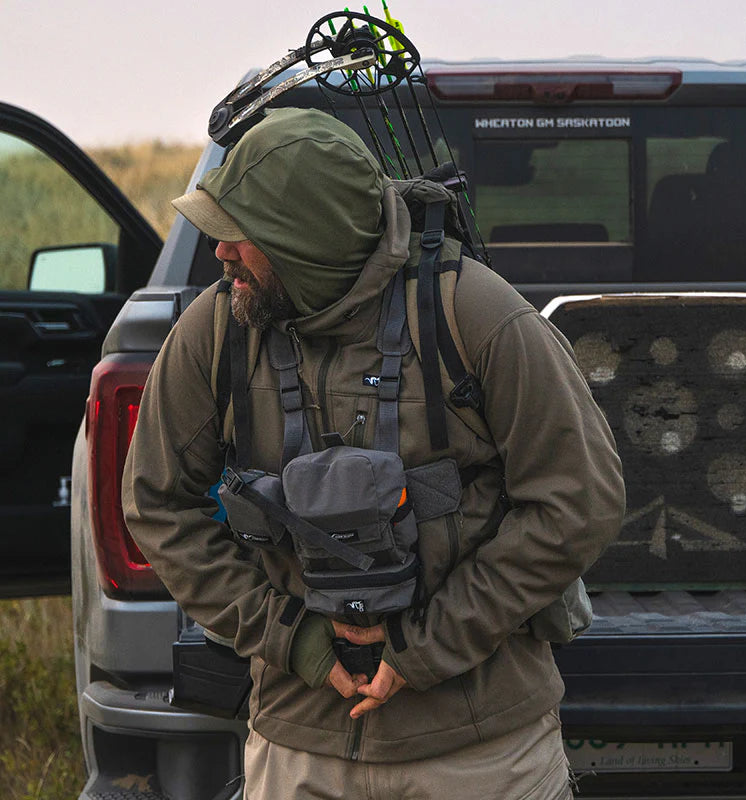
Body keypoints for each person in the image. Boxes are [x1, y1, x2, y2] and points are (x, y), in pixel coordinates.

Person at [122, 107, 625, 800]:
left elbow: (581, 500)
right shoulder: (217, 331)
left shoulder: (476, 315)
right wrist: (291, 638)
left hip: (481, 749)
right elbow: (155, 503)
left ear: (305, 243)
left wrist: (429, 645)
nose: (220, 254)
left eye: (240, 236)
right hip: (300, 745)